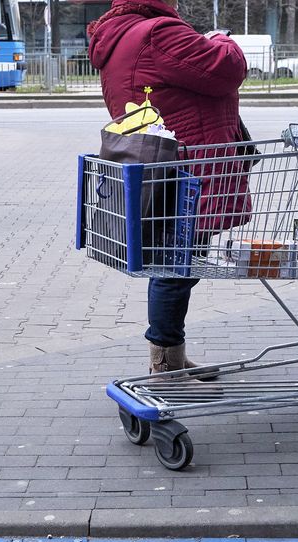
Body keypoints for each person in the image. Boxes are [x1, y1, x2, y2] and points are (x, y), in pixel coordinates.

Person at [87, 0, 247, 374]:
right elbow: (226, 69)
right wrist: (224, 40)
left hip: (163, 168)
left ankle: (172, 357)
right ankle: (164, 365)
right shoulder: (158, 33)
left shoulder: (122, 34)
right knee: (176, 269)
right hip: (186, 170)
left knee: (176, 266)